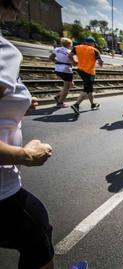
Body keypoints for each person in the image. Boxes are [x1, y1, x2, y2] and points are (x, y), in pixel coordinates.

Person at [0, 2, 54, 268]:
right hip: (3, 191)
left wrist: (17, 104)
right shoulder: (4, 52)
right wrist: (27, 155)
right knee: (38, 233)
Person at [69, 36, 104, 115]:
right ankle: (76, 104)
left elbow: (69, 55)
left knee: (89, 88)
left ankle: (92, 104)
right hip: (89, 72)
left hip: (80, 70)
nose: (94, 45)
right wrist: (101, 62)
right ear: (93, 43)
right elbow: (100, 62)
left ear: (85, 42)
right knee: (87, 89)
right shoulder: (94, 50)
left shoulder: (77, 47)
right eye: (94, 43)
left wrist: (74, 62)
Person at [49, 37, 74, 108]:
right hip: (66, 70)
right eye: (71, 44)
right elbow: (73, 62)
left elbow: (51, 58)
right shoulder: (69, 52)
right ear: (69, 44)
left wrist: (57, 62)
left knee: (71, 84)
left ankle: (58, 96)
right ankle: (60, 103)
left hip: (58, 69)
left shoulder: (56, 49)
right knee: (67, 87)